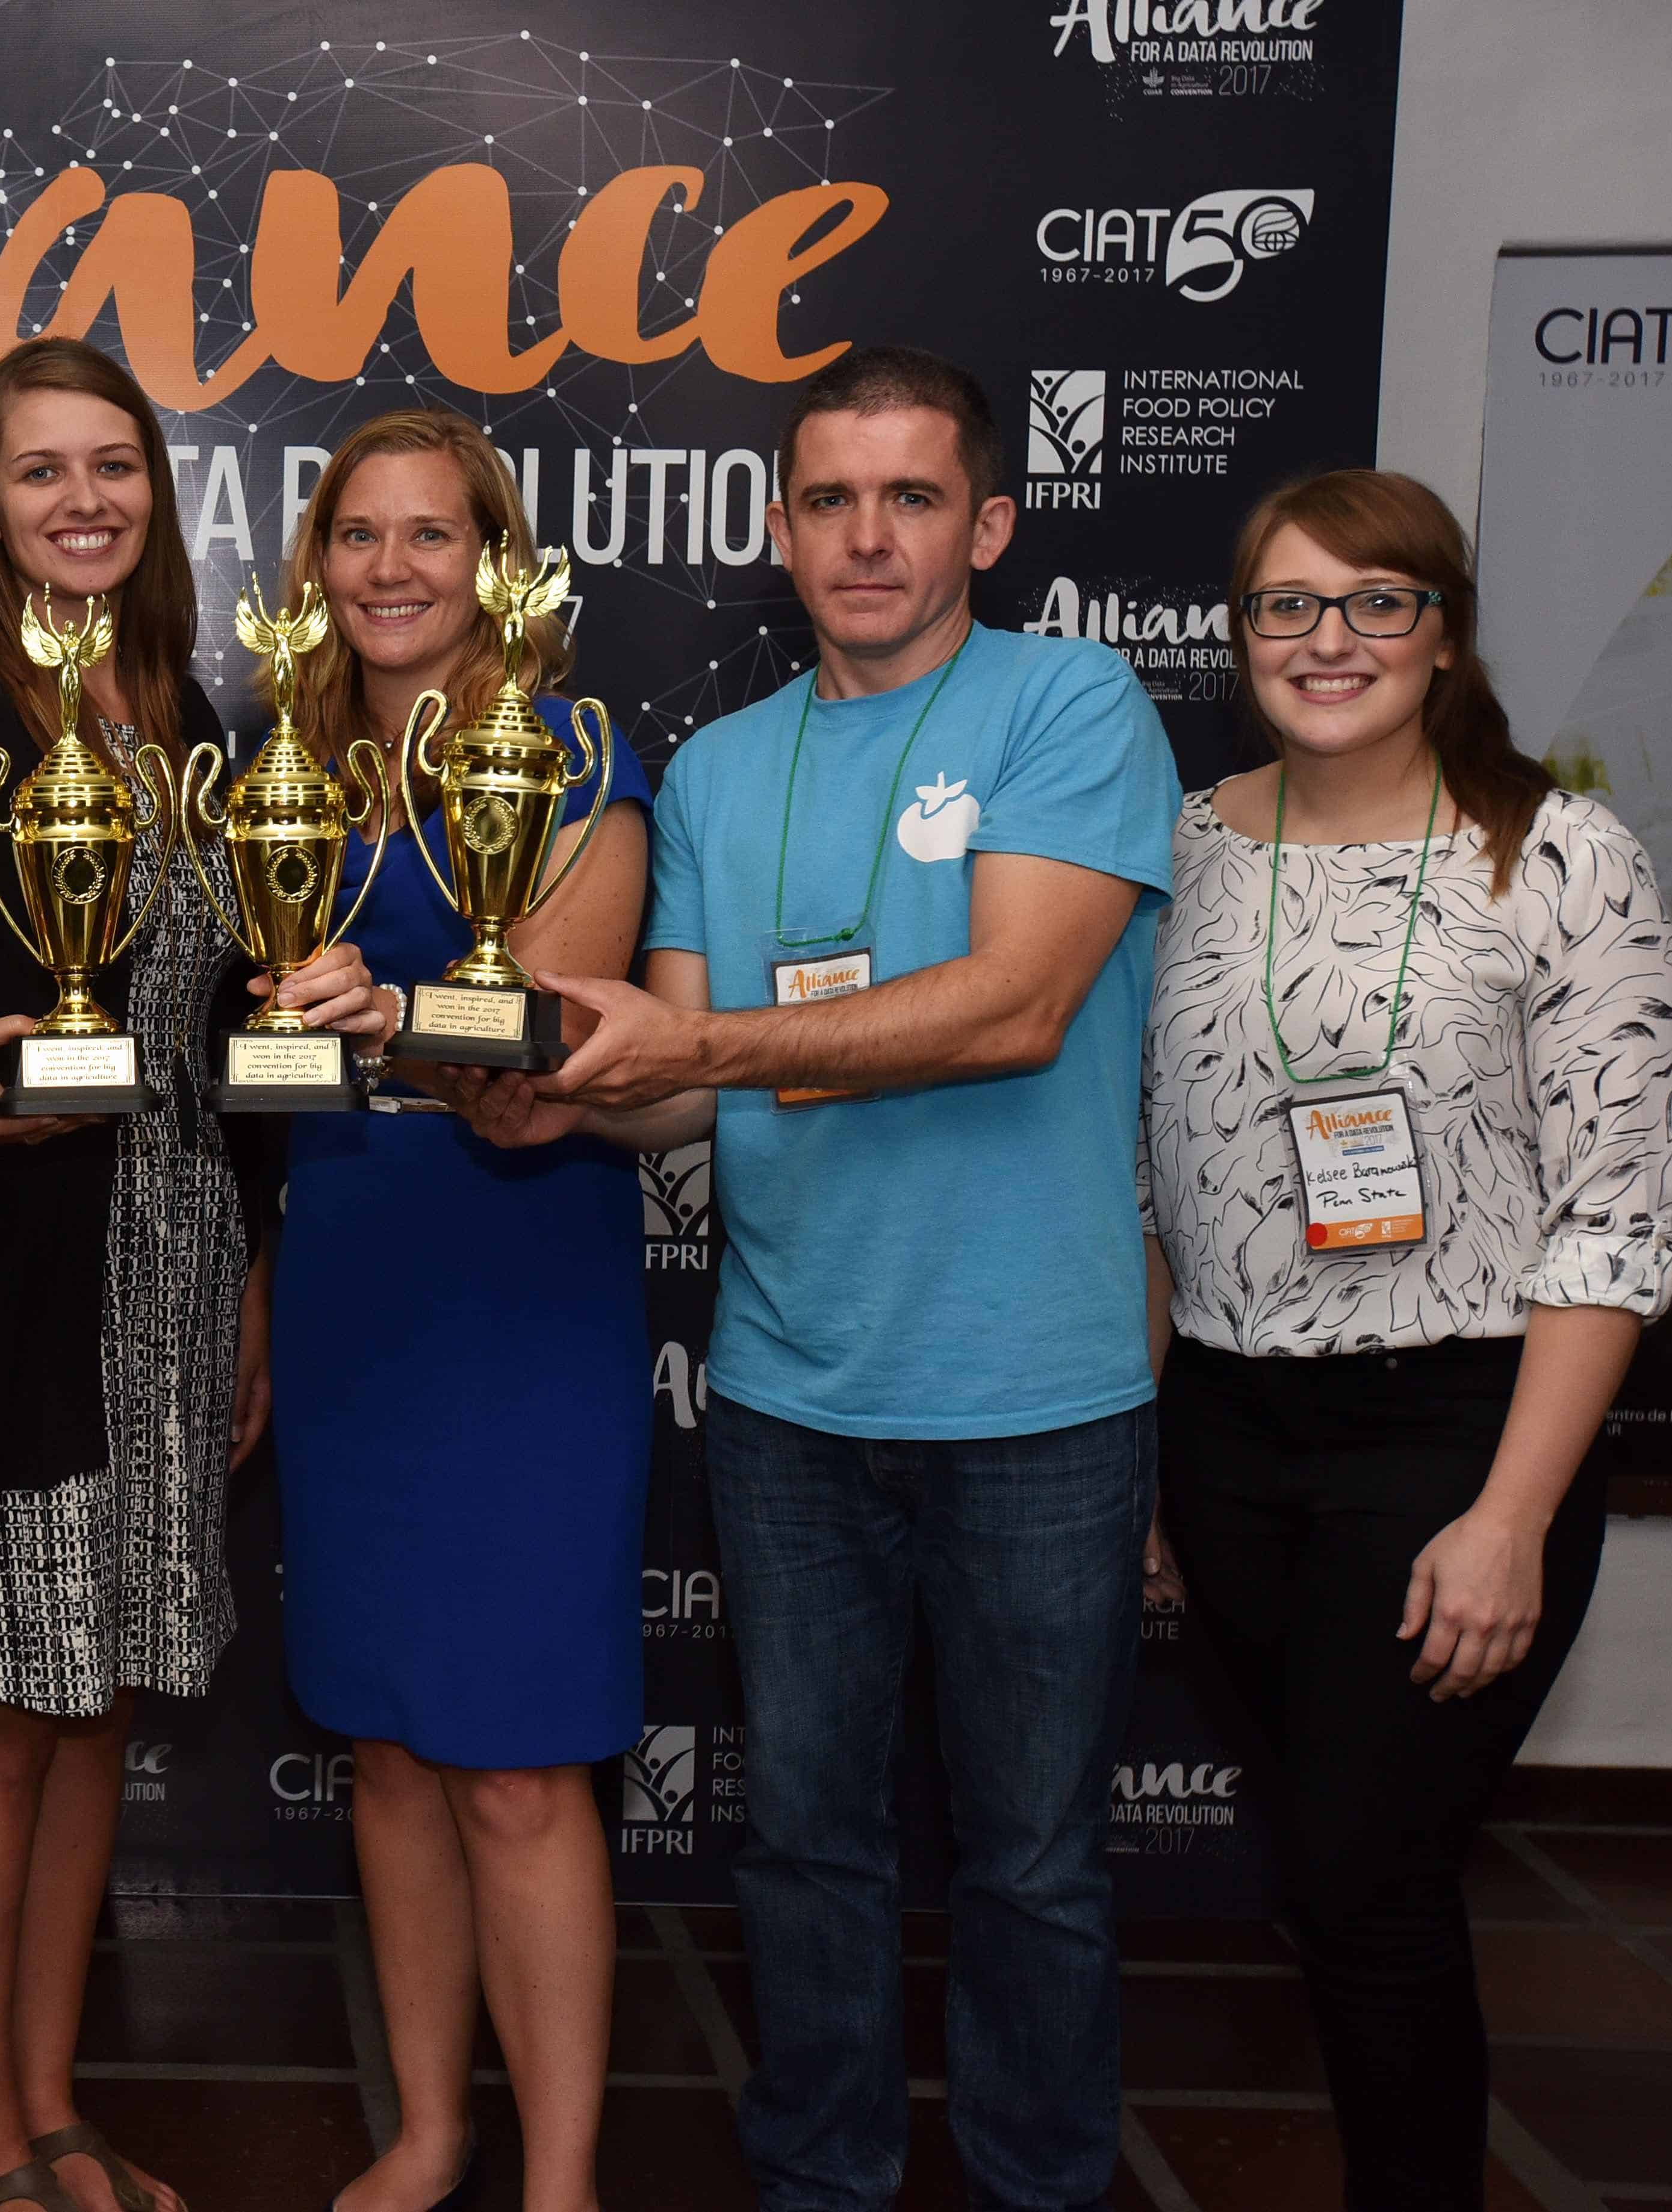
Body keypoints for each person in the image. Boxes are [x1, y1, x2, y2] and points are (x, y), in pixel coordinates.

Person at [470, 347, 1181, 2212]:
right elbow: (674, 1085)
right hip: (790, 1392)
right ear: (781, 530)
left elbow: (1015, 1007)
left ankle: (1039, 2184)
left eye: (914, 498)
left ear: (989, 525)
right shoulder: (719, 765)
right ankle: (821, 2176)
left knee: (1033, 1860)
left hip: (1038, 1398)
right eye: (834, 501)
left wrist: (688, 1052)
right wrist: (553, 1095)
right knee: (803, 1839)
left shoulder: (1071, 702)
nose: (870, 538)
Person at [0, 337, 390, 2212]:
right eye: (42, 470)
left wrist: (246, 1274)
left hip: (169, 1268)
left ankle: (48, 2105)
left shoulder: (196, 725)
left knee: (96, 1712)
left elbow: (229, 1039)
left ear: (160, 489)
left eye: (115, 465)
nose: (84, 499)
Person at [1140, 469, 1672, 2212]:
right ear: (1241, 635)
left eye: (1377, 602)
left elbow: (1618, 1216)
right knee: (1342, 1884)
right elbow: (1150, 1177)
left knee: (1367, 1883)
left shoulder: (1561, 856)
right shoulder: (1182, 846)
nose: (1331, 640)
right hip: (1225, 1431)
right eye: (1287, 605)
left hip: (1459, 1431)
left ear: (1444, 633)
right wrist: (1149, 1454)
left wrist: (1515, 1514)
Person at [262, 412, 657, 2212]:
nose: (393, 568)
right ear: (318, 564)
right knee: (390, 1746)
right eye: (361, 534)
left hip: (521, 1275)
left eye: (434, 534)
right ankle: (432, 2128)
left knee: (517, 1763)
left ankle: (561, 2180)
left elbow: (561, 1025)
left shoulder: (573, 755)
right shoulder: (290, 770)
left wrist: (395, 1020)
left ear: (498, 565)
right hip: (354, 1266)